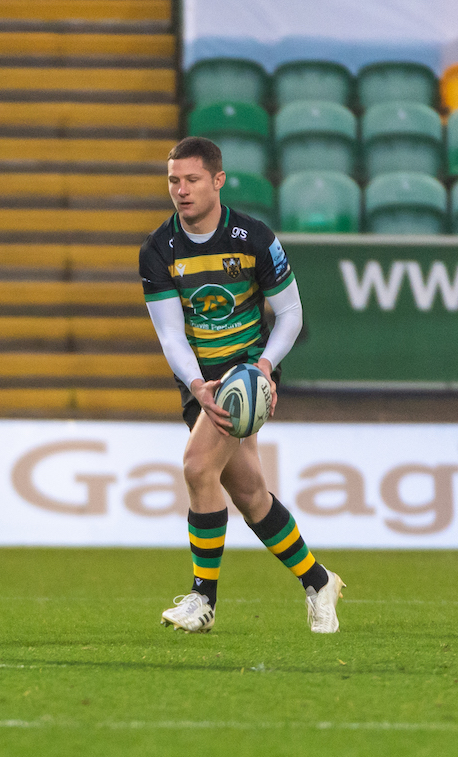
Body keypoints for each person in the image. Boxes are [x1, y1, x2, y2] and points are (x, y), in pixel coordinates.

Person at [139, 136, 344, 634]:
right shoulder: (158, 249)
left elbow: (291, 313)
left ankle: (202, 600)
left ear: (218, 181)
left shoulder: (253, 238)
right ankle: (318, 581)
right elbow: (170, 334)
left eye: (192, 179)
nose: (181, 190)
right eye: (173, 181)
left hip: (248, 375)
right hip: (200, 381)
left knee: (196, 466)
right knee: (250, 493)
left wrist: (266, 367)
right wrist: (196, 384)